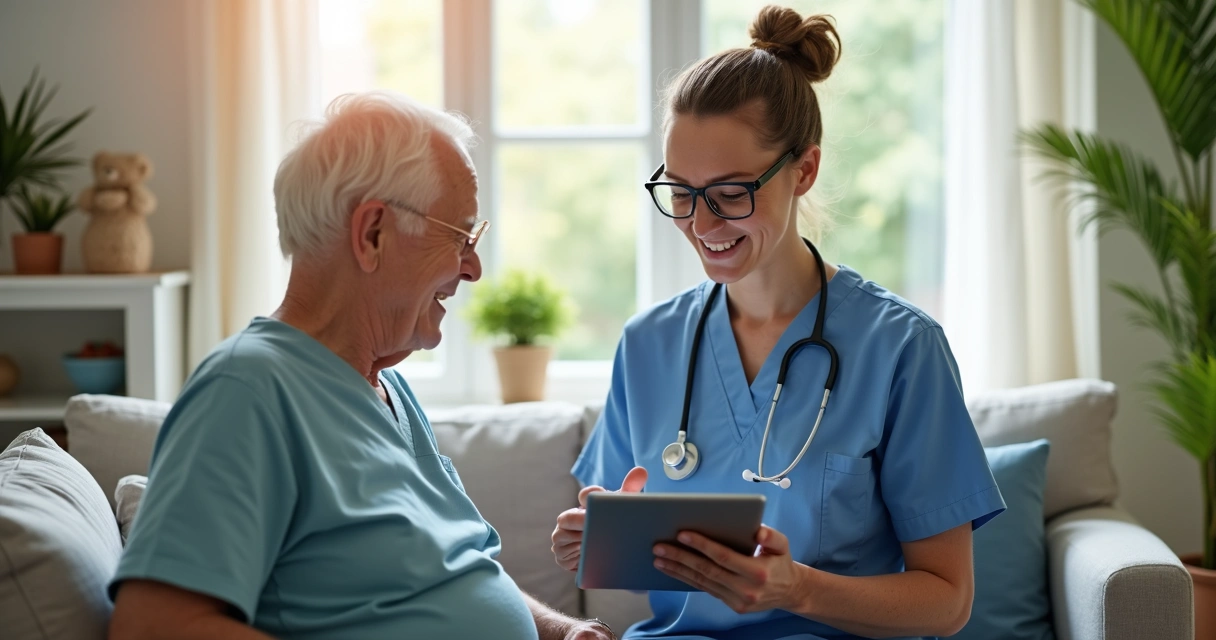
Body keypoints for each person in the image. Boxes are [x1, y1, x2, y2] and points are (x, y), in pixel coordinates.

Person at [550, 6, 1006, 640]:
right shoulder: (648, 345)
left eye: (732, 192)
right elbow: (630, 567)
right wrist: (596, 539)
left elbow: (947, 601)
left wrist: (800, 589)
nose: (702, 225)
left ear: (805, 170)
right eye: (680, 192)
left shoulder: (901, 347)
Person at [108, 92, 613, 640]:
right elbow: (153, 626)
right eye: (461, 236)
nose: (473, 268)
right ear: (372, 232)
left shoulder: (388, 386)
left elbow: (455, 572)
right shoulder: (247, 389)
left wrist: (563, 633)